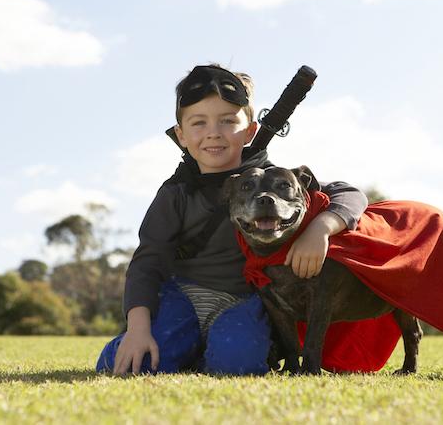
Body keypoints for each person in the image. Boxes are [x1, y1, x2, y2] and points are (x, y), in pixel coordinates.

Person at [96, 64, 368, 376]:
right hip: (182, 294)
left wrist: (321, 228)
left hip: (243, 301)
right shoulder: (176, 192)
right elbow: (147, 262)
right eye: (199, 123)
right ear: (180, 135)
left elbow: (349, 194)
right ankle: (147, 345)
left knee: (239, 365)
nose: (214, 132)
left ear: (250, 130)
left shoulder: (278, 181)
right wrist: (138, 330)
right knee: (144, 362)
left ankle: (205, 351)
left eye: (228, 121)